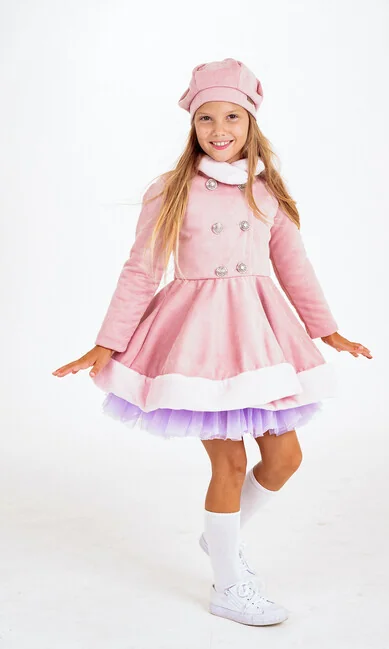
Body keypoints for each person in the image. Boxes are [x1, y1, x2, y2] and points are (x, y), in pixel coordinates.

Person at [52, 57, 372, 626]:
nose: (218, 129)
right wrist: (107, 342)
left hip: (260, 338)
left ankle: (220, 536)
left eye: (231, 116)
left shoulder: (266, 192)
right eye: (206, 117)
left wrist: (326, 329)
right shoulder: (171, 190)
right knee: (229, 462)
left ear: (251, 122)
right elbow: (141, 270)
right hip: (200, 340)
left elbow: (294, 265)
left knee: (286, 457)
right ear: (192, 124)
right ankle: (228, 585)